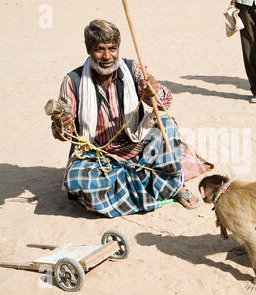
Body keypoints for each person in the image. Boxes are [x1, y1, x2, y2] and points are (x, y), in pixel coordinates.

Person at [50, 20, 202, 217]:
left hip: (137, 146)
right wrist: (62, 124)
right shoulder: (73, 81)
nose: (107, 56)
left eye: (112, 49)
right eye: (99, 49)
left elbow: (166, 102)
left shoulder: (133, 69)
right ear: (89, 49)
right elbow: (62, 135)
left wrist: (153, 91)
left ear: (118, 48)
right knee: (78, 178)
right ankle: (144, 183)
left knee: (167, 125)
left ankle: (170, 186)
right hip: (98, 156)